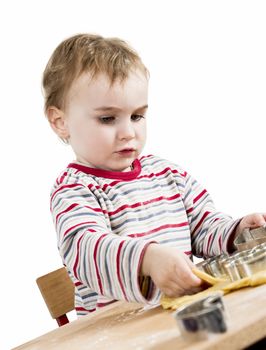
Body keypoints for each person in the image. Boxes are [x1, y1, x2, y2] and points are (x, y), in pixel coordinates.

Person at [43, 33, 266, 316]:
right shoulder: (73, 191)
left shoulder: (168, 174)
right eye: (107, 118)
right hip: (120, 336)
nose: (128, 132)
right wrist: (147, 259)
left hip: (182, 319)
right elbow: (87, 250)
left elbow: (204, 227)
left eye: (137, 116)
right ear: (60, 122)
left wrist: (238, 231)